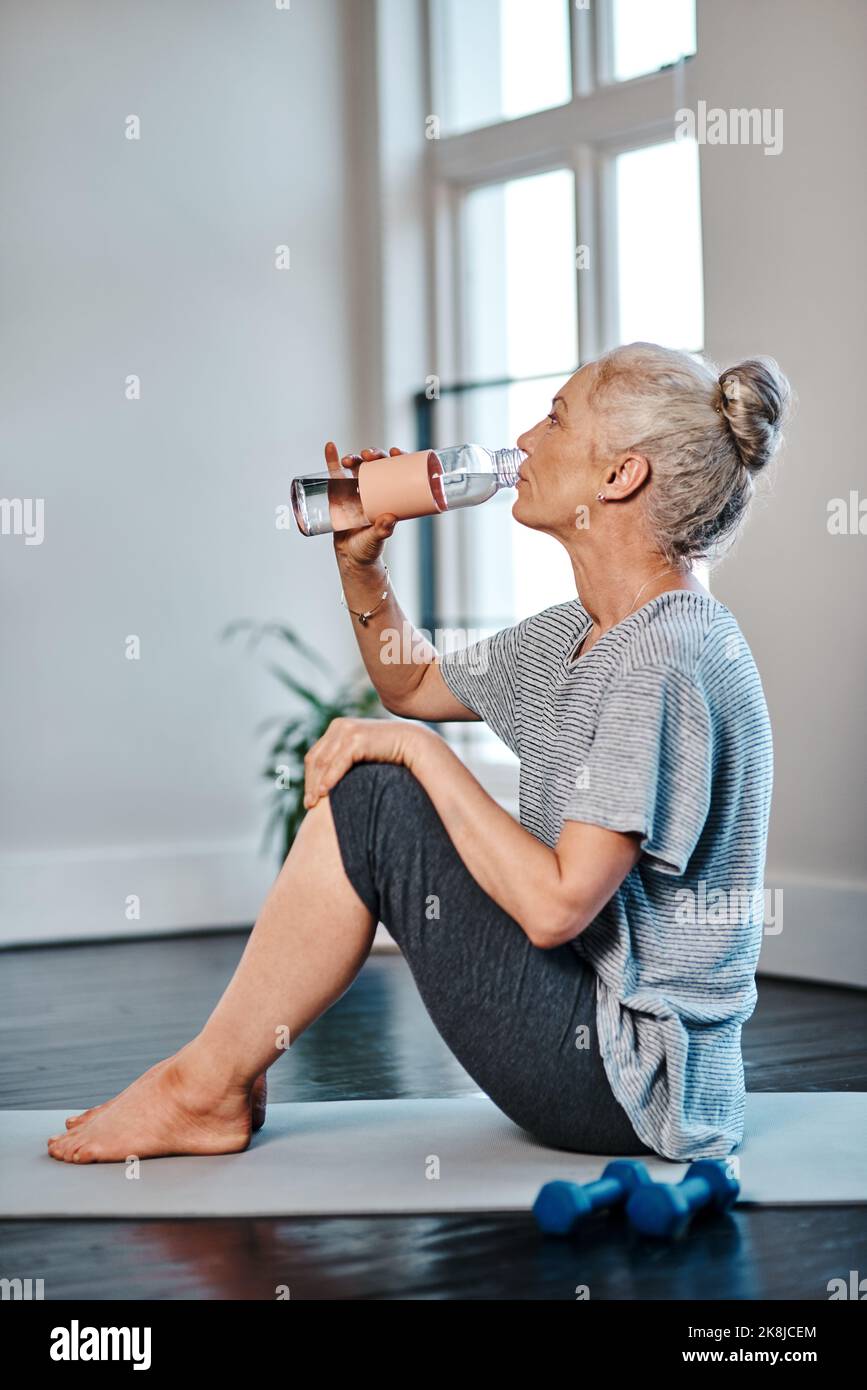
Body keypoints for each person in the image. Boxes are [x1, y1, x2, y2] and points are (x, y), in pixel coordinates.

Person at [48, 341, 791, 1165]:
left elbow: (556, 908)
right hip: (595, 1045)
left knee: (376, 794)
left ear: (619, 476)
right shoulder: (583, 634)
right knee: (381, 780)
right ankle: (218, 1075)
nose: (527, 439)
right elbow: (413, 685)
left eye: (556, 418)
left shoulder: (662, 660)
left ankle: (202, 1090)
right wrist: (360, 565)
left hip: (622, 1083)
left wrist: (419, 755)